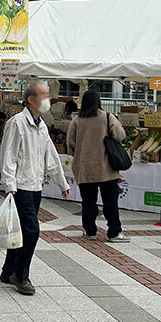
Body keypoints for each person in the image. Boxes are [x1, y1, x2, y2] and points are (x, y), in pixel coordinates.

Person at [0, 80, 70, 296]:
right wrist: (9, 184)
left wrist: (62, 182)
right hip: (20, 186)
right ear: (31, 99)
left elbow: (51, 156)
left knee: (21, 230)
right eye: (43, 95)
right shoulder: (17, 123)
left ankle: (7, 270)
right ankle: (20, 275)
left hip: (35, 185)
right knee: (32, 230)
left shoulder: (41, 126)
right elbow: (8, 155)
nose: (47, 99)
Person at [68, 89, 129, 243]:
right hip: (105, 168)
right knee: (110, 202)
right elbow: (121, 136)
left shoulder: (76, 119)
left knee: (88, 201)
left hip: (85, 169)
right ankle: (114, 232)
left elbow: (70, 144)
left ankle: (90, 231)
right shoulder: (107, 117)